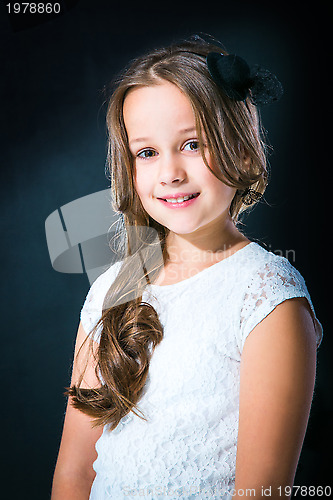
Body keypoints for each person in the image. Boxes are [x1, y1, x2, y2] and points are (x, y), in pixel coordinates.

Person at [51, 35, 323, 500]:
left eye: (192, 144)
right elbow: (74, 474)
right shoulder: (109, 292)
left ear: (238, 148)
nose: (170, 172)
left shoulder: (265, 297)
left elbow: (260, 492)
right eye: (148, 153)